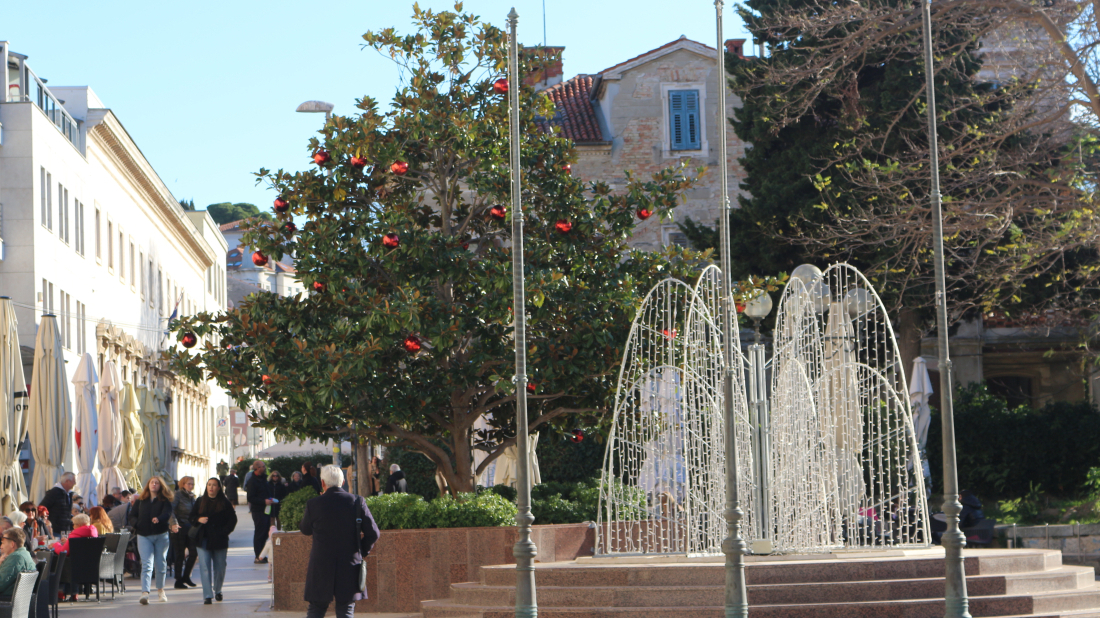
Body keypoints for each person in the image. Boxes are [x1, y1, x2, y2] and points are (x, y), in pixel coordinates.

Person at [299, 465, 380, 618]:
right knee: (346, 609)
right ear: (343, 482)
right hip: (349, 564)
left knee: (316, 608)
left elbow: (305, 529)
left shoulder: (314, 504)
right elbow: (373, 533)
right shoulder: (357, 502)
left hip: (321, 564)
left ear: (322, 483)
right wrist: (361, 550)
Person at [189, 478, 237, 605]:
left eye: (214, 485)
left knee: (220, 567)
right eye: (209, 485)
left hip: (219, 539)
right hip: (203, 538)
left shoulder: (224, 502)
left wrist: (224, 531)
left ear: (219, 488)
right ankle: (207, 595)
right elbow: (191, 517)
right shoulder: (200, 501)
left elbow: (232, 520)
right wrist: (198, 519)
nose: (211, 487)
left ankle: (218, 590)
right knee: (204, 566)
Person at [130, 476, 174, 605]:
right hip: (144, 535)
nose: (154, 485)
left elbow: (167, 513)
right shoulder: (140, 501)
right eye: (152, 482)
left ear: (161, 486)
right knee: (146, 564)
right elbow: (132, 515)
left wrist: (159, 518)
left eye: (157, 483)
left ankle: (161, 590)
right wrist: (136, 524)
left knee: (161, 563)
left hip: (161, 535)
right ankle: (145, 593)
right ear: (148, 485)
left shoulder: (164, 500)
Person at [171, 476, 198, 589]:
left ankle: (186, 576)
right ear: (183, 484)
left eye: (192, 484)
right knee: (180, 554)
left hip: (190, 528)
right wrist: (174, 523)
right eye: (189, 484)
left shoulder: (192, 496)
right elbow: (170, 510)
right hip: (179, 527)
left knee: (194, 552)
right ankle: (178, 580)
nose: (191, 486)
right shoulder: (178, 495)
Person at [246, 460, 274, 563]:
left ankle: (262, 555)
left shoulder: (263, 479)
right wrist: (263, 501)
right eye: (263, 466)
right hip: (258, 510)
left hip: (266, 509)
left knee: (265, 533)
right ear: (257, 468)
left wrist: (270, 499)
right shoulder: (252, 481)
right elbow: (250, 498)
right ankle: (258, 556)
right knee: (259, 533)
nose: (265, 467)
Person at [0, 528, 34, 600]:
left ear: (12, 544)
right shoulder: (25, 554)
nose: (1, 546)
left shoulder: (16, 558)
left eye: (3, 543)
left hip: (7, 600)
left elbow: (1, 584)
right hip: (18, 601)